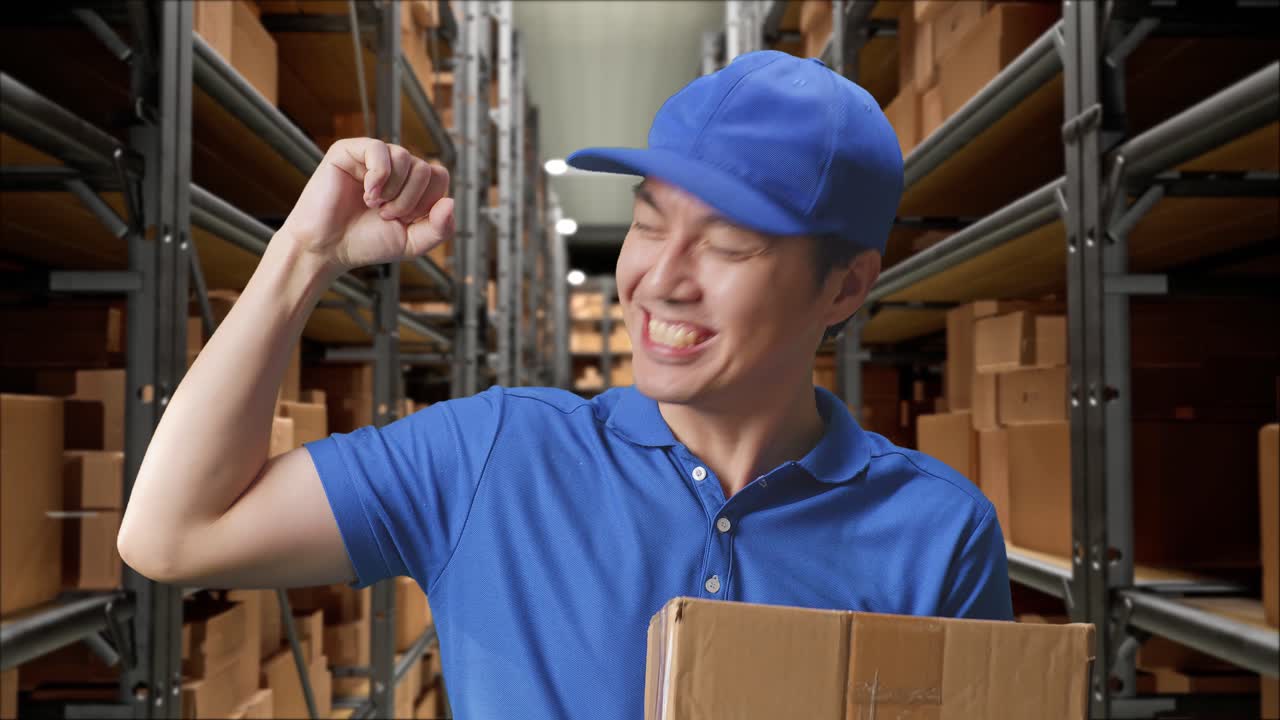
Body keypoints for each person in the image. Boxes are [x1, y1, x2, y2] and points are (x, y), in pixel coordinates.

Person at [119, 50, 1012, 719]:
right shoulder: (496, 455)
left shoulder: (936, 532)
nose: (662, 278)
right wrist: (304, 256)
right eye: (649, 223)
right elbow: (174, 535)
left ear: (846, 286)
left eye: (731, 245)